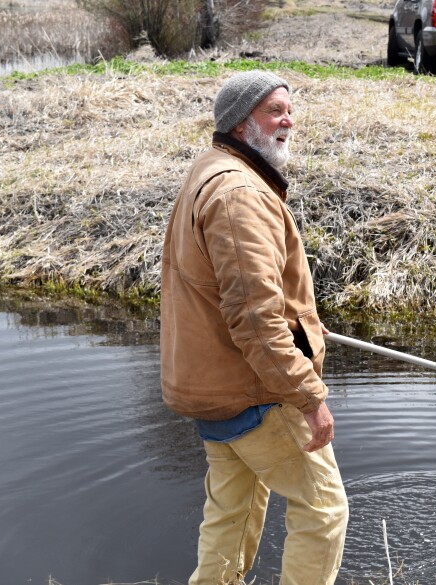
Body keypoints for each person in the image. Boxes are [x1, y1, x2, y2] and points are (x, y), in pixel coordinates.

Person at [159, 70, 348, 585]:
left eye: (289, 109)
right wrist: (309, 396)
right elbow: (256, 319)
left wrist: (306, 327)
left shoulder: (211, 167)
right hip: (254, 392)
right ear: (242, 124)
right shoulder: (239, 194)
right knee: (324, 509)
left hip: (211, 386)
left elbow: (232, 295)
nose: (288, 120)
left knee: (232, 512)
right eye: (274, 110)